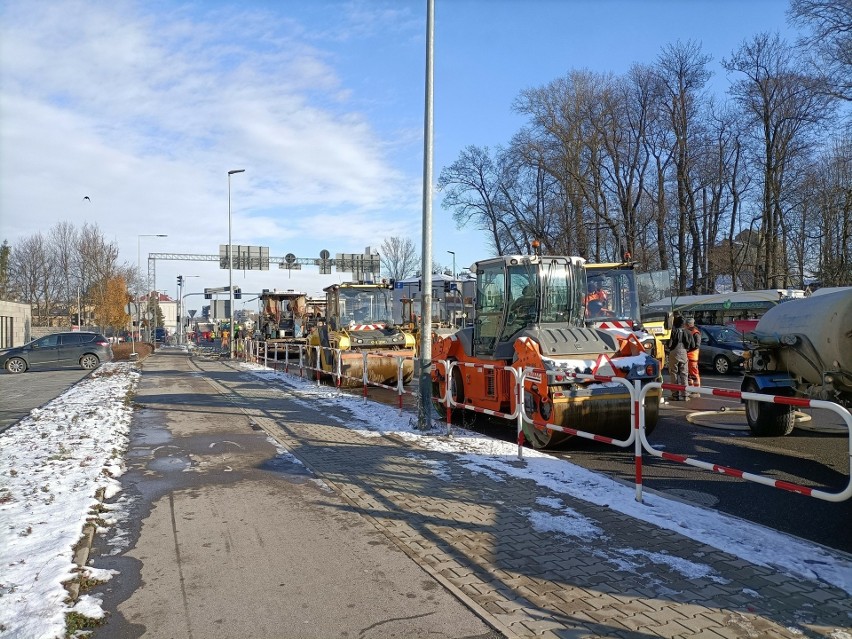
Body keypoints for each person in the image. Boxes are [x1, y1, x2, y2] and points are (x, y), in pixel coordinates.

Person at [666, 315, 696, 401]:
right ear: (683, 324)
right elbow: (693, 345)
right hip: (684, 353)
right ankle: (685, 395)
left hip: (674, 352)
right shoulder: (688, 332)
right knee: (684, 373)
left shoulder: (673, 331)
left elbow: (669, 344)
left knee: (673, 373)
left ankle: (675, 395)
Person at [685, 317, 701, 396]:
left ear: (688, 325)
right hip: (688, 356)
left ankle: (696, 390)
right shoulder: (690, 332)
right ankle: (691, 389)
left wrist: (688, 350)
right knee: (689, 374)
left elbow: (697, 346)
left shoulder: (695, 333)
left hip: (692, 356)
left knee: (694, 374)